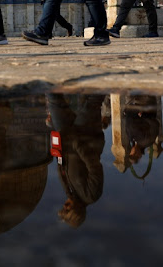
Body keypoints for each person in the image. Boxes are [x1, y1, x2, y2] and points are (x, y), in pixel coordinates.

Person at [48, 93, 105, 228]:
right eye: (67, 209)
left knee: (52, 97)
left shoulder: (69, 192)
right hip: (86, 136)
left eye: (64, 209)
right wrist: (76, 144)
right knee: (91, 99)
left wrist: (57, 148)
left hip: (65, 136)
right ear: (77, 211)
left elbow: (61, 166)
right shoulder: (92, 195)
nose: (65, 205)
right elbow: (94, 166)